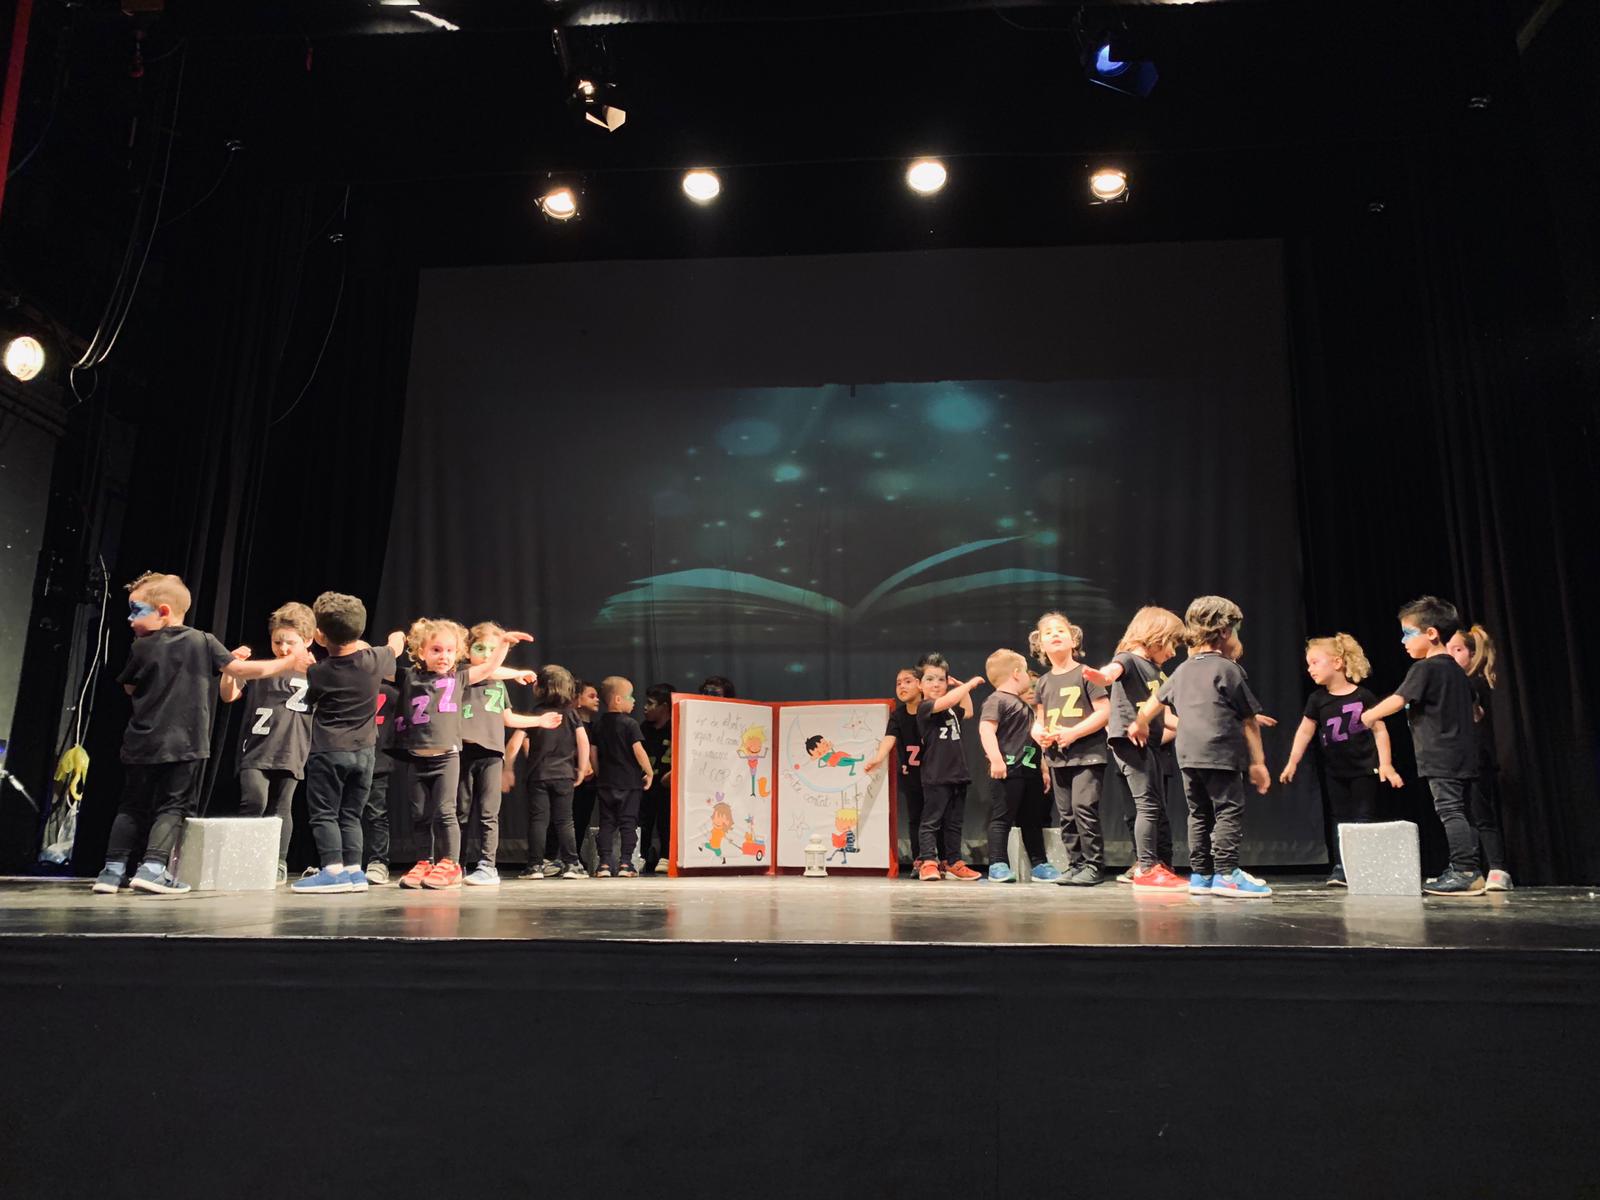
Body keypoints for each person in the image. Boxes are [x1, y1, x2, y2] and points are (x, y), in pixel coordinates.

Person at [94, 572, 312, 895]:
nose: (129, 619)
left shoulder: (140, 647)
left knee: (131, 805)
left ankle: (111, 871)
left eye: (135, 611)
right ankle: (153, 867)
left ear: (163, 611)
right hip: (185, 743)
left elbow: (129, 687)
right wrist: (289, 662)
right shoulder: (202, 640)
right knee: (172, 806)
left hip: (141, 741)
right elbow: (239, 671)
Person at [1130, 595, 1272, 898]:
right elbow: (1249, 721)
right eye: (1236, 631)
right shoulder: (1228, 669)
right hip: (1220, 753)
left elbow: (1155, 700)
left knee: (1198, 813)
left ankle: (1202, 875)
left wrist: (1140, 722)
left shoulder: (1183, 669)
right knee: (1228, 810)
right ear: (1224, 632)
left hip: (1188, 755)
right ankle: (1227, 874)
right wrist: (1258, 763)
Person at [390, 618, 532, 891]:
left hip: (446, 758)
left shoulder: (459, 677)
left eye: (449, 651)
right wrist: (393, 644)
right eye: (436, 650)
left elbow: (489, 668)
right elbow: (380, 669)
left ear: (458, 653)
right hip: (417, 757)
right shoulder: (410, 676)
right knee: (420, 814)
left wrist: (503, 645)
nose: (443, 656)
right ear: (421, 652)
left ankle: (451, 864)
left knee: (447, 812)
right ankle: (424, 861)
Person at [1361, 596, 1484, 896]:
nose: (1403, 641)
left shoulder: (1425, 669)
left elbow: (1398, 699)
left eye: (1408, 633)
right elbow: (1477, 713)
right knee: (1463, 812)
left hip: (1440, 753)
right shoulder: (1457, 671)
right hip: (1464, 752)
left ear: (1431, 633)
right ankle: (1470, 869)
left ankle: (1465, 871)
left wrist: (1370, 714)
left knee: (1450, 810)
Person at [290, 591, 395, 894]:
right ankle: (354, 872)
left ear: (319, 636)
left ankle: (333, 871)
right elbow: (396, 645)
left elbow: (308, 701)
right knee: (351, 814)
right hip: (365, 753)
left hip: (329, 751)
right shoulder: (375, 659)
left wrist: (303, 667)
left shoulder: (318, 672)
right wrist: (394, 638)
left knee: (325, 813)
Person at [1278, 633, 1403, 886]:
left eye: (1315, 662)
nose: (1310, 669)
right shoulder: (1317, 700)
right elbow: (1305, 731)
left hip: (1364, 769)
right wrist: (1292, 762)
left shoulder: (1363, 696)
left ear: (1337, 662)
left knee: (1364, 817)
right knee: (1340, 818)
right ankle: (1342, 866)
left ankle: (1363, 866)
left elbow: (1380, 731)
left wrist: (1386, 764)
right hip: (1335, 771)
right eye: (1308, 664)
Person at [1084, 606, 1188, 892]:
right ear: (1155, 635)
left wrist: (1202, 726)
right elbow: (1111, 673)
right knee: (1146, 805)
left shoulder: (1158, 672)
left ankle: (1157, 864)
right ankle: (1146, 868)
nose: (1173, 652)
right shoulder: (1128, 659)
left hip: (1150, 743)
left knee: (1156, 807)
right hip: (1129, 741)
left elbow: (1166, 717)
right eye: (1172, 643)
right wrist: (1100, 677)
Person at [219, 601, 316, 885]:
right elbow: (228, 695)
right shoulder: (263, 668)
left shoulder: (315, 672)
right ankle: (244, 859)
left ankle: (277, 862)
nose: (283, 648)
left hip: (291, 749)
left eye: (290, 643)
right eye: (277, 642)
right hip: (256, 748)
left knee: (281, 806)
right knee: (253, 801)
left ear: (308, 640)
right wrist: (230, 670)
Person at [454, 622, 551, 887]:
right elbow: (487, 669)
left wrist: (539, 721)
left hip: (492, 754)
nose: (487, 654)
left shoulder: (498, 684)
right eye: (480, 648)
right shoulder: (461, 673)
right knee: (460, 812)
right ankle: (455, 864)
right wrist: (515, 671)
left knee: (489, 813)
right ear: (467, 650)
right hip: (463, 751)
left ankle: (487, 865)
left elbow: (508, 718)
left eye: (493, 649)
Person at [1029, 611, 1111, 886]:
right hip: (1058, 758)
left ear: (1073, 640)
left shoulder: (1085, 674)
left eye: (1060, 630)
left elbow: (1104, 712)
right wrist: (1039, 734)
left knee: (1083, 807)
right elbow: (1039, 720)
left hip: (1087, 754)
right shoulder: (1043, 682)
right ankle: (1076, 864)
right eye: (1048, 632)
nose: (1054, 634)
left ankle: (1094, 865)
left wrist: (1074, 733)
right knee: (1066, 814)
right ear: (1040, 644)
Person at [979, 648, 1058, 882]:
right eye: (1024, 672)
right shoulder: (997, 700)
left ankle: (1039, 864)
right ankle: (998, 864)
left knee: (1032, 820)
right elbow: (986, 730)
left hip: (1030, 772)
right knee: (1002, 818)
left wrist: (1043, 768)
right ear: (1016, 673)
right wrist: (996, 759)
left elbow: (1032, 741)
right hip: (1008, 771)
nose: (1027, 678)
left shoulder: (1024, 706)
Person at [1447, 624, 1512, 891]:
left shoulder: (1474, 682)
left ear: (1472, 654)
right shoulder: (1458, 683)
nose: (1451, 655)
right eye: (1448, 650)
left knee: (1481, 814)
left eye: (1458, 650)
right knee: (1463, 815)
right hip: (1456, 758)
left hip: (1476, 758)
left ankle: (1497, 868)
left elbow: (1476, 714)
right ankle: (1469, 869)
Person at [514, 664, 591, 880]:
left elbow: (517, 742)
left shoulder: (535, 714)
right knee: (564, 820)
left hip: (538, 775)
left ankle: (535, 866)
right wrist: (582, 768)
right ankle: (572, 864)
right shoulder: (571, 714)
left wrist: (509, 766)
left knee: (538, 820)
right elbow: (583, 741)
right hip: (564, 775)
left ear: (539, 688)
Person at [913, 654, 984, 882]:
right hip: (936, 774)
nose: (936, 684)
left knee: (954, 823)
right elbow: (947, 702)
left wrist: (961, 687)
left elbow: (968, 711)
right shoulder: (925, 707)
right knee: (931, 821)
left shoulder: (950, 710)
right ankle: (928, 862)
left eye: (941, 679)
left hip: (957, 774)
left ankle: (953, 862)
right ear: (919, 684)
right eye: (930, 679)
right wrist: (969, 685)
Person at [862, 668, 926, 873]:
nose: (902, 686)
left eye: (907, 681)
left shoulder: (932, 710)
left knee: (938, 819)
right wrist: (878, 758)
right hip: (912, 777)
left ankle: (944, 860)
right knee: (916, 819)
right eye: (898, 683)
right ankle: (920, 860)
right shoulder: (898, 716)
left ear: (920, 684)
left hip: (935, 776)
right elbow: (889, 737)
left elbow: (966, 712)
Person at [594, 676, 654, 878]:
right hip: (629, 783)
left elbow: (593, 753)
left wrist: (599, 773)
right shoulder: (630, 724)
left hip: (606, 782)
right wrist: (649, 772)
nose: (634, 701)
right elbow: (639, 751)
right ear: (618, 699)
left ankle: (604, 864)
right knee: (628, 823)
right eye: (631, 696)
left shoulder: (598, 725)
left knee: (606, 823)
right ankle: (626, 864)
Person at [362, 679, 399, 884]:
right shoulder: (348, 684)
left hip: (378, 759)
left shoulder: (389, 692)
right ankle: (343, 862)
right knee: (346, 813)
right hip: (349, 754)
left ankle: (378, 861)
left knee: (376, 813)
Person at [638, 683, 674, 874]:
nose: (645, 707)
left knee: (666, 820)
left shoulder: (676, 727)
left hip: (667, 785)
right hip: (646, 783)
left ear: (664, 706)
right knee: (643, 820)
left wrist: (673, 773)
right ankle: (640, 856)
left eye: (650, 703)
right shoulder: (644, 728)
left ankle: (666, 855)